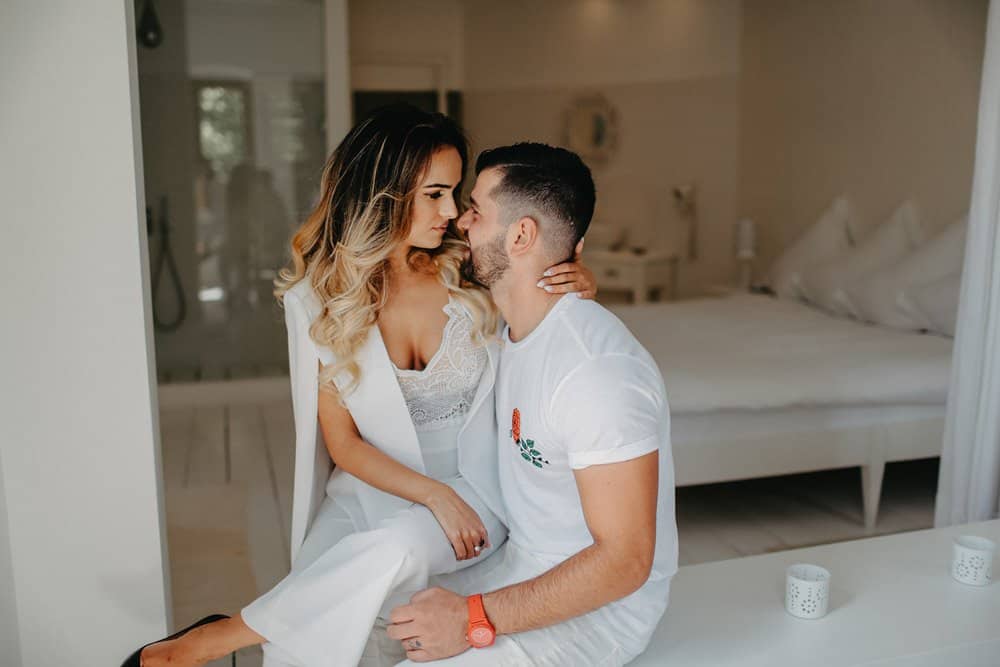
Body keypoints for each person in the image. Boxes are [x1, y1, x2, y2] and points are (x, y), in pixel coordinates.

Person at [122, 106, 597, 667]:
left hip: (478, 494)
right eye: (435, 194)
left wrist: (580, 287)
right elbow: (343, 444)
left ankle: (213, 638)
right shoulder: (317, 298)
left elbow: (551, 327)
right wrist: (429, 493)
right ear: (386, 193)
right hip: (372, 489)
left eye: (455, 194)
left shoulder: (472, 271)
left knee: (397, 548)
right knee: (303, 640)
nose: (451, 212)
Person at [384, 143, 678, 666]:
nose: (458, 221)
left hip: (600, 613)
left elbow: (626, 562)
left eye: (475, 209)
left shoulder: (598, 375)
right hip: (522, 562)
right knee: (368, 622)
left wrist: (472, 617)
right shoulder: (505, 326)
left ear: (520, 236)